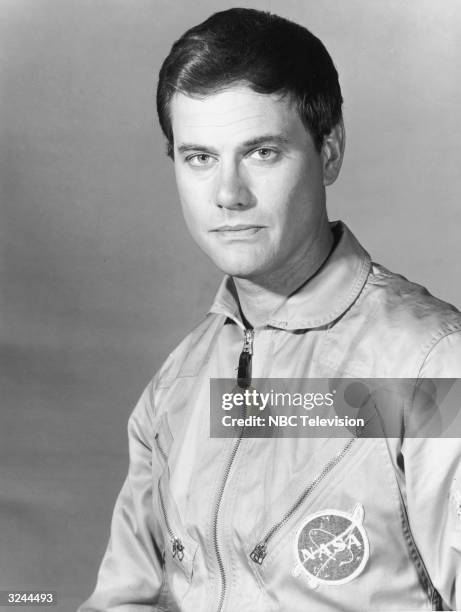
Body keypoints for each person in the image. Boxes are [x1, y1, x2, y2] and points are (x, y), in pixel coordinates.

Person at [78, 8, 461, 611]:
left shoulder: (430, 371)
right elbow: (123, 600)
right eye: (199, 157)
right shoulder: (177, 389)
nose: (228, 194)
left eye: (261, 152)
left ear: (329, 151)